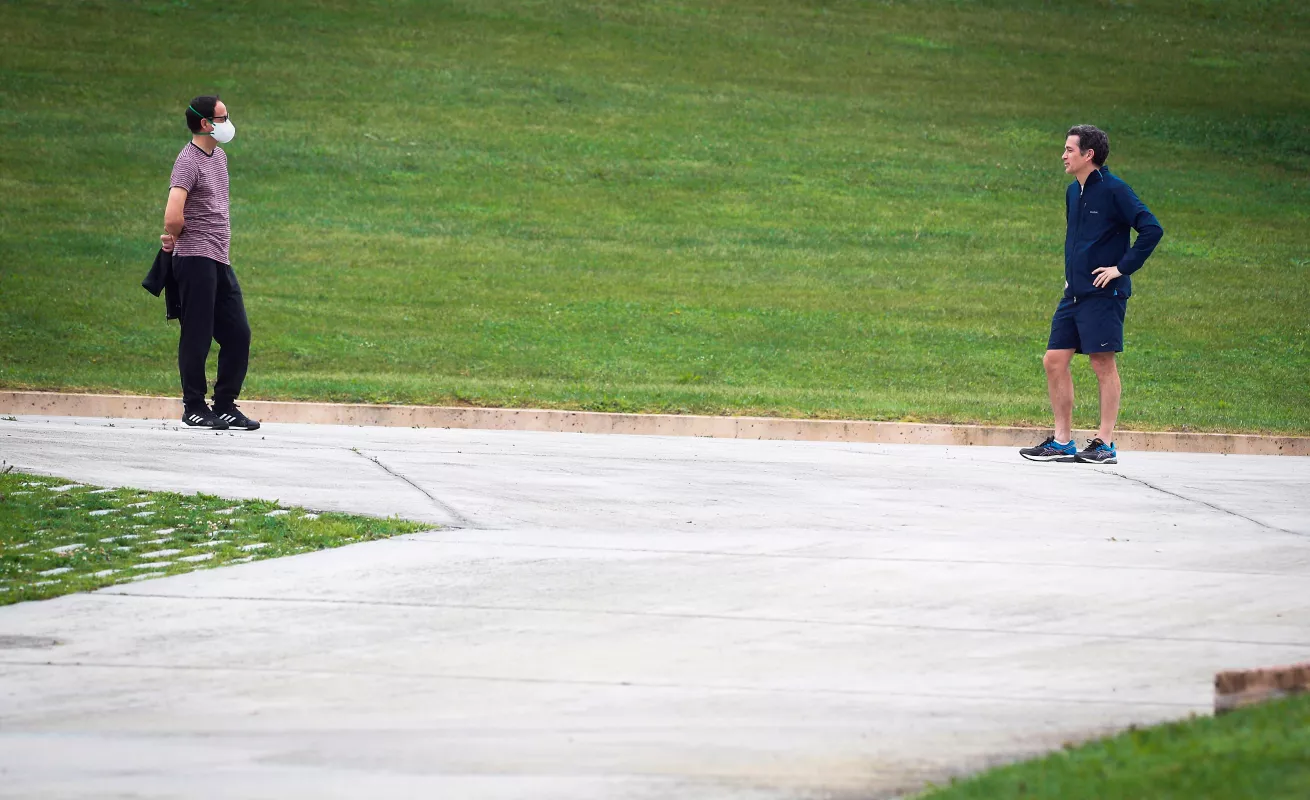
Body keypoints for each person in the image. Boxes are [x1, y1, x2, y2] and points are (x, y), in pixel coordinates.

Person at [1020, 125, 1162, 464]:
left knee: (1102, 362)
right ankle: (1062, 441)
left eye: (1069, 150)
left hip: (1104, 294)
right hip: (1074, 294)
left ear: (1089, 155)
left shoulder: (1115, 190)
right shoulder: (1073, 192)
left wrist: (1121, 268)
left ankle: (1105, 443)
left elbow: (1151, 229)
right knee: (1054, 360)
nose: (1063, 155)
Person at [160, 95, 260, 431]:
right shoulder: (187, 161)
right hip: (195, 259)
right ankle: (193, 407)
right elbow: (172, 216)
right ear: (205, 123)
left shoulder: (219, 157)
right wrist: (180, 238)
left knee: (238, 334)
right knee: (197, 335)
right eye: (222, 117)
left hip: (218, 258)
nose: (228, 123)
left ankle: (225, 404)